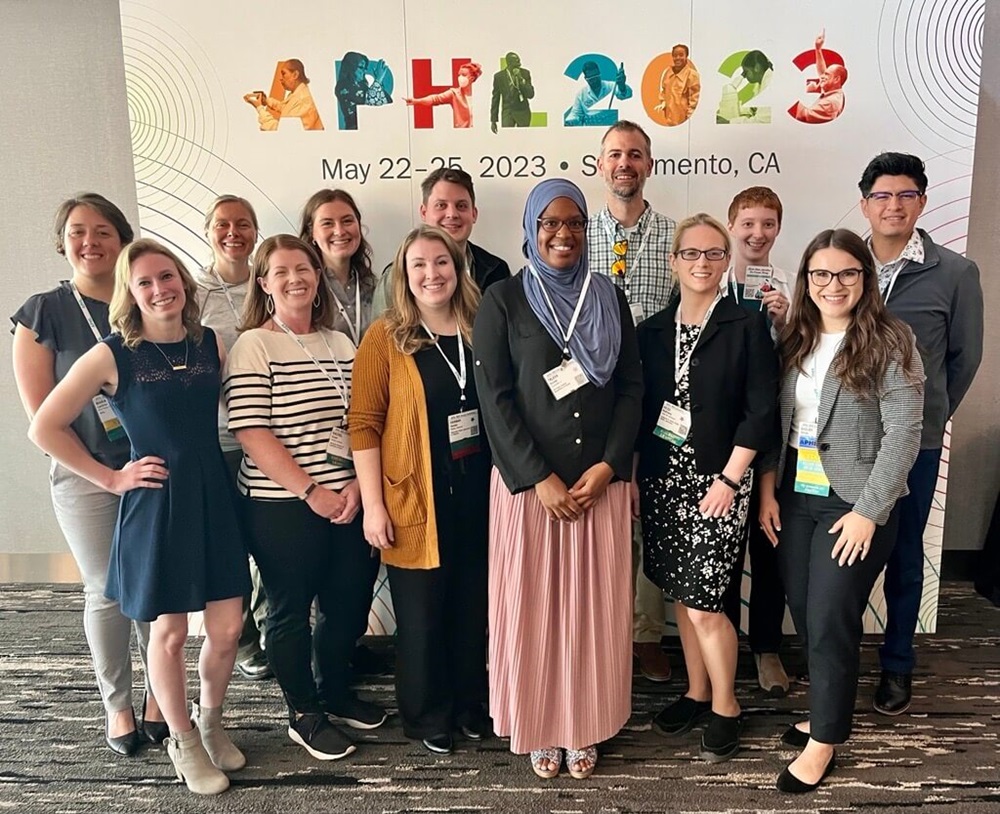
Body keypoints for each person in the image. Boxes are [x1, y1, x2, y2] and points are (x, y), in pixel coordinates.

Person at [29, 238, 251, 795]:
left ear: (184, 281)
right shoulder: (112, 354)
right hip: (157, 502)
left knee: (227, 628)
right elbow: (44, 426)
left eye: (167, 277)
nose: (160, 289)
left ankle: (210, 720)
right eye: (146, 282)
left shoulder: (212, 344)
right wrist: (111, 478)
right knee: (171, 632)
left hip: (213, 494)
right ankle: (182, 739)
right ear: (129, 291)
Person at [473, 178, 642, 780]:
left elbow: (630, 389)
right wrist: (536, 477)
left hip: (599, 487)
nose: (563, 234)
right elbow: (494, 399)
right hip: (531, 490)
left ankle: (586, 723)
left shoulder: (608, 296)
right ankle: (541, 723)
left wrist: (607, 467)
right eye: (550, 223)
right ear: (531, 229)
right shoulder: (502, 299)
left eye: (574, 223)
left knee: (592, 613)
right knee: (533, 610)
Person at [758, 228, 924, 793]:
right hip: (795, 499)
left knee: (829, 616)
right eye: (821, 274)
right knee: (807, 614)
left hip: (855, 503)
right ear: (806, 279)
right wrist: (767, 491)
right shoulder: (794, 336)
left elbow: (904, 433)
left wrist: (868, 511)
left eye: (847, 273)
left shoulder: (891, 339)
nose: (834, 284)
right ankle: (828, 710)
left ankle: (825, 738)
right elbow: (779, 423)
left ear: (865, 278)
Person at [11, 194, 166, 755]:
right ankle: (118, 706)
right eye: (79, 232)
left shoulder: (147, 300)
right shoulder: (43, 312)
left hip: (152, 470)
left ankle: (158, 698)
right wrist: (107, 478)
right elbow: (42, 421)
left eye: (103, 231)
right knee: (107, 591)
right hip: (86, 476)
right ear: (63, 242)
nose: (91, 242)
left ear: (122, 240)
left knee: (155, 586)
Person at [224, 234, 385, 765]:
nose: (296, 278)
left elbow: (361, 424)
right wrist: (312, 491)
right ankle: (304, 712)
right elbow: (251, 431)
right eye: (282, 271)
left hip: (348, 497)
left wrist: (358, 486)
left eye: (305, 268)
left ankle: (334, 689)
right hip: (283, 504)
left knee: (347, 604)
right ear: (264, 283)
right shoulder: (254, 345)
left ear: (318, 277)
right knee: (289, 610)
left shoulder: (341, 344)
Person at [636, 214, 778, 764]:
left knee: (705, 606)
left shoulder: (745, 325)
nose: (702, 263)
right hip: (663, 481)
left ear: (725, 262)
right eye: (691, 253)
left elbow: (761, 410)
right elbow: (643, 411)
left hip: (721, 482)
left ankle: (726, 705)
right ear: (673, 261)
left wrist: (729, 478)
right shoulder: (651, 330)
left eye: (714, 254)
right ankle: (696, 692)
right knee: (680, 596)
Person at [349, 225, 490, 755]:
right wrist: (373, 506)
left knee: (470, 609)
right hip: (413, 498)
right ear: (403, 277)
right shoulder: (385, 337)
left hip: (478, 496)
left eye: (442, 263)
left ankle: (469, 703)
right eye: (419, 266)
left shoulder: (481, 327)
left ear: (459, 269)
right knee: (422, 616)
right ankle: (427, 714)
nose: (432, 274)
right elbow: (363, 423)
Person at [857, 152, 984, 715]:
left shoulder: (955, 273)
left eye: (906, 195)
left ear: (922, 203)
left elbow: (964, 358)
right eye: (882, 195)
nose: (893, 206)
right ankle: (834, 659)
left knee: (906, 556)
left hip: (916, 446)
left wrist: (930, 420)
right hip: (845, 443)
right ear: (865, 204)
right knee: (843, 557)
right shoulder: (842, 262)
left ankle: (898, 665)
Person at [587, 121, 676, 683]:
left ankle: (645, 633)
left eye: (636, 155)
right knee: (602, 514)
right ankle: (599, 629)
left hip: (664, 396)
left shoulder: (675, 235)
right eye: (616, 154)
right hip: (596, 399)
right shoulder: (575, 233)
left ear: (649, 165)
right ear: (600, 164)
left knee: (651, 515)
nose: (626, 163)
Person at [298, 188, 386, 678]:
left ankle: (345, 643)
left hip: (371, 422)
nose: (339, 231)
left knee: (359, 553)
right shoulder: (302, 288)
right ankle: (315, 657)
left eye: (347, 220)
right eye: (327, 223)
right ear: (310, 231)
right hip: (315, 431)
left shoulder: (376, 287)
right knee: (315, 554)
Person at [718, 187, 794, 697]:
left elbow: (803, 358)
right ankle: (719, 641)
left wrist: (785, 322)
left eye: (767, 223)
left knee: (770, 546)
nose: (757, 233)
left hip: (771, 435)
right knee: (721, 549)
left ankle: (766, 646)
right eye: (747, 223)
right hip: (722, 438)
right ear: (731, 225)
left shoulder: (792, 286)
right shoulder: (708, 277)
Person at [194, 194, 271, 682]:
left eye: (243, 224)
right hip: (217, 439)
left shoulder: (266, 287)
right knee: (224, 544)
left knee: (267, 541)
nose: (233, 232)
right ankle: (239, 636)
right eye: (223, 224)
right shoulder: (191, 290)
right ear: (209, 231)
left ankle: (265, 626)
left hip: (266, 437)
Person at [372, 168, 510, 314]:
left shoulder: (497, 270)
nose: (452, 214)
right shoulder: (396, 275)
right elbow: (381, 333)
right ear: (424, 213)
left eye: (461, 206)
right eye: (441, 205)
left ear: (473, 214)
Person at [245, 58, 323, 131]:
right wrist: (266, 101)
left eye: (283, 73)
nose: (281, 78)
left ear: (295, 75)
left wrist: (259, 108)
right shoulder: (297, 94)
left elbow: (280, 130)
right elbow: (286, 109)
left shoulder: (303, 100)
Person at [790, 31, 847, 124]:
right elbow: (822, 72)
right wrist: (818, 49)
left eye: (827, 75)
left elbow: (803, 115)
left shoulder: (830, 103)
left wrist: (798, 91)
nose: (822, 76)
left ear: (837, 79)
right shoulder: (834, 89)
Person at [405, 62, 482, 128]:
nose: (460, 77)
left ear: (472, 78)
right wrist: (416, 101)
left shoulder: (480, 95)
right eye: (459, 74)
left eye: (464, 75)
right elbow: (435, 99)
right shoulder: (454, 93)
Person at [335, 52, 393, 130]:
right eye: (361, 67)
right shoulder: (343, 86)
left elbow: (385, 100)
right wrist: (378, 79)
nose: (364, 71)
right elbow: (370, 100)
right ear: (351, 67)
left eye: (365, 68)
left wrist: (378, 81)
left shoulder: (362, 85)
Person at [564, 61, 632, 126]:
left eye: (596, 76)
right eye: (590, 79)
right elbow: (575, 114)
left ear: (599, 73)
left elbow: (626, 94)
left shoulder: (610, 86)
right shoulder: (581, 94)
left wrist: (622, 86)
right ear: (585, 78)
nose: (594, 81)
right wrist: (568, 122)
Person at [655, 45, 700, 126]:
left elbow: (694, 100)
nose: (678, 58)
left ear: (686, 56)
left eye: (681, 55)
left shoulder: (692, 75)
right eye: (675, 55)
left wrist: (689, 121)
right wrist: (663, 102)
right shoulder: (668, 72)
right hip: (669, 120)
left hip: (683, 122)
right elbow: (664, 91)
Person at [490, 51, 534, 132]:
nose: (519, 64)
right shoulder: (499, 77)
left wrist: (521, 80)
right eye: (517, 62)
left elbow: (530, 94)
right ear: (509, 63)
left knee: (523, 139)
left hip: (523, 112)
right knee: (507, 139)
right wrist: (493, 120)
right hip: (508, 113)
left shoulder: (525, 73)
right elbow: (495, 99)